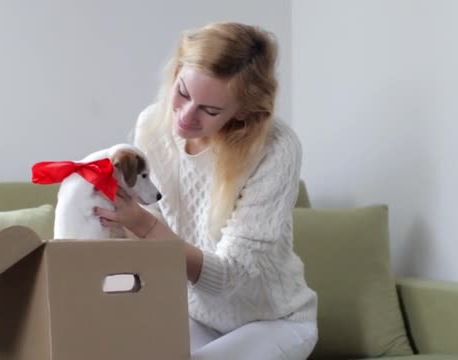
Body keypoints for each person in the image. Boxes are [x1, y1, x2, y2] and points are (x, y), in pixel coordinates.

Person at [94, 22, 318, 360]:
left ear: (243, 111)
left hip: (275, 321)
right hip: (194, 317)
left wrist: (141, 223)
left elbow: (230, 277)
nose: (184, 117)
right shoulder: (153, 127)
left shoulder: (277, 148)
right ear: (177, 70)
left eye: (210, 110)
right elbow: (148, 252)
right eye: (182, 92)